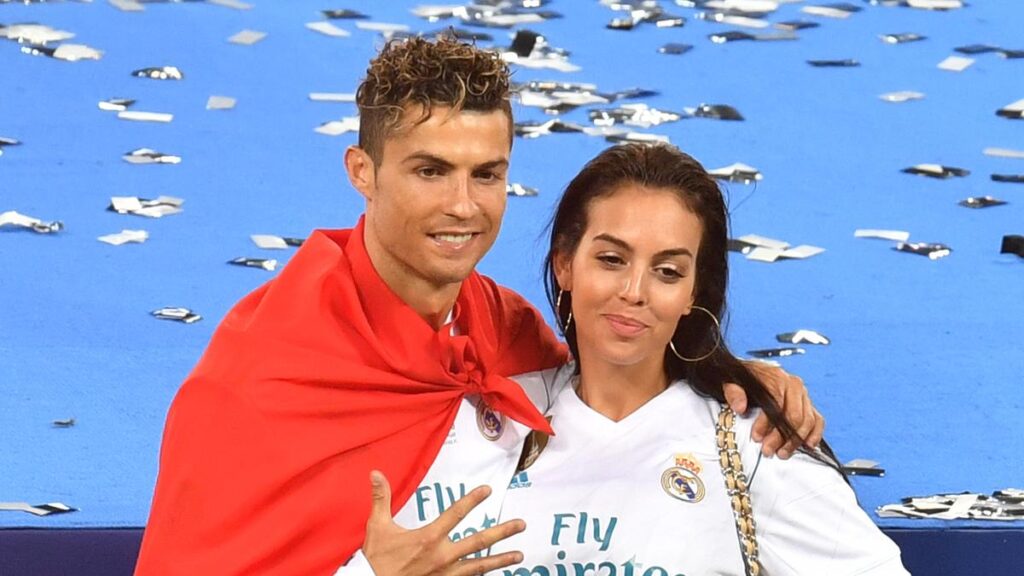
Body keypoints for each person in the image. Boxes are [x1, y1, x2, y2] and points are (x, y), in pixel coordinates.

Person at [134, 37, 824, 576]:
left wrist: (732, 377)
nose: (464, 206)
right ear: (362, 173)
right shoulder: (256, 379)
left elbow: (612, 382)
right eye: (431, 170)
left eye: (487, 174)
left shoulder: (497, 322)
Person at [489, 143, 909, 575]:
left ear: (693, 293)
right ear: (564, 264)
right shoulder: (494, 420)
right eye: (611, 259)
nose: (634, 290)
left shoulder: (757, 443)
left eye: (667, 271)